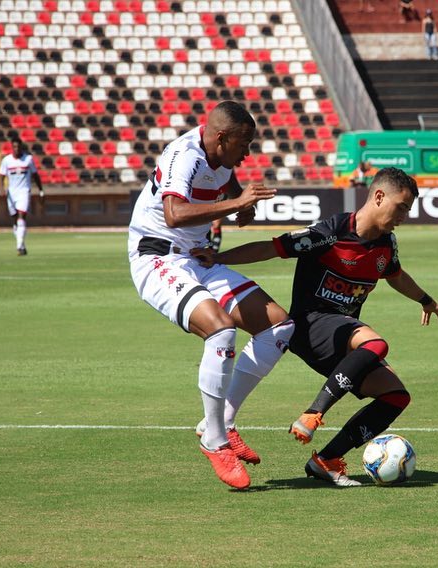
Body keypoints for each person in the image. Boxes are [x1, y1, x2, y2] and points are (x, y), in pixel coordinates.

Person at [192, 167, 438, 487]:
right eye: (402, 207)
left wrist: (425, 300)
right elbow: (273, 248)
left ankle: (325, 460)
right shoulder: (331, 232)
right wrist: (217, 258)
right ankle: (313, 414)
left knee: (395, 396)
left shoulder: (387, 244)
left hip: (340, 335)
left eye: (408, 210)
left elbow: (395, 274)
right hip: (310, 324)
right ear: (379, 196)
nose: (404, 215)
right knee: (376, 344)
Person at [128, 101, 295, 490]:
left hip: (197, 257)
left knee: (280, 326)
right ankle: (215, 441)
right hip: (156, 258)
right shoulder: (182, 156)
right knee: (221, 331)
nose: (248, 152)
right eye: (244, 143)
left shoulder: (220, 156)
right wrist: (236, 203)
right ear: (221, 138)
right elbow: (173, 213)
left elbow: (227, 178)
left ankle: (222, 421)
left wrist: (241, 207)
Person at [0, 139, 44, 255]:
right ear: (12, 148)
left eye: (18, 147)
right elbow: (1, 176)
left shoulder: (28, 160)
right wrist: (1, 189)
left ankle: (19, 246)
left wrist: (41, 190)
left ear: (22, 147)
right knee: (15, 220)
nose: (16, 149)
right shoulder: (6, 160)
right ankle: (22, 245)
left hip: (24, 191)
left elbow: (35, 175)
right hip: (11, 193)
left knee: (21, 216)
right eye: (14, 147)